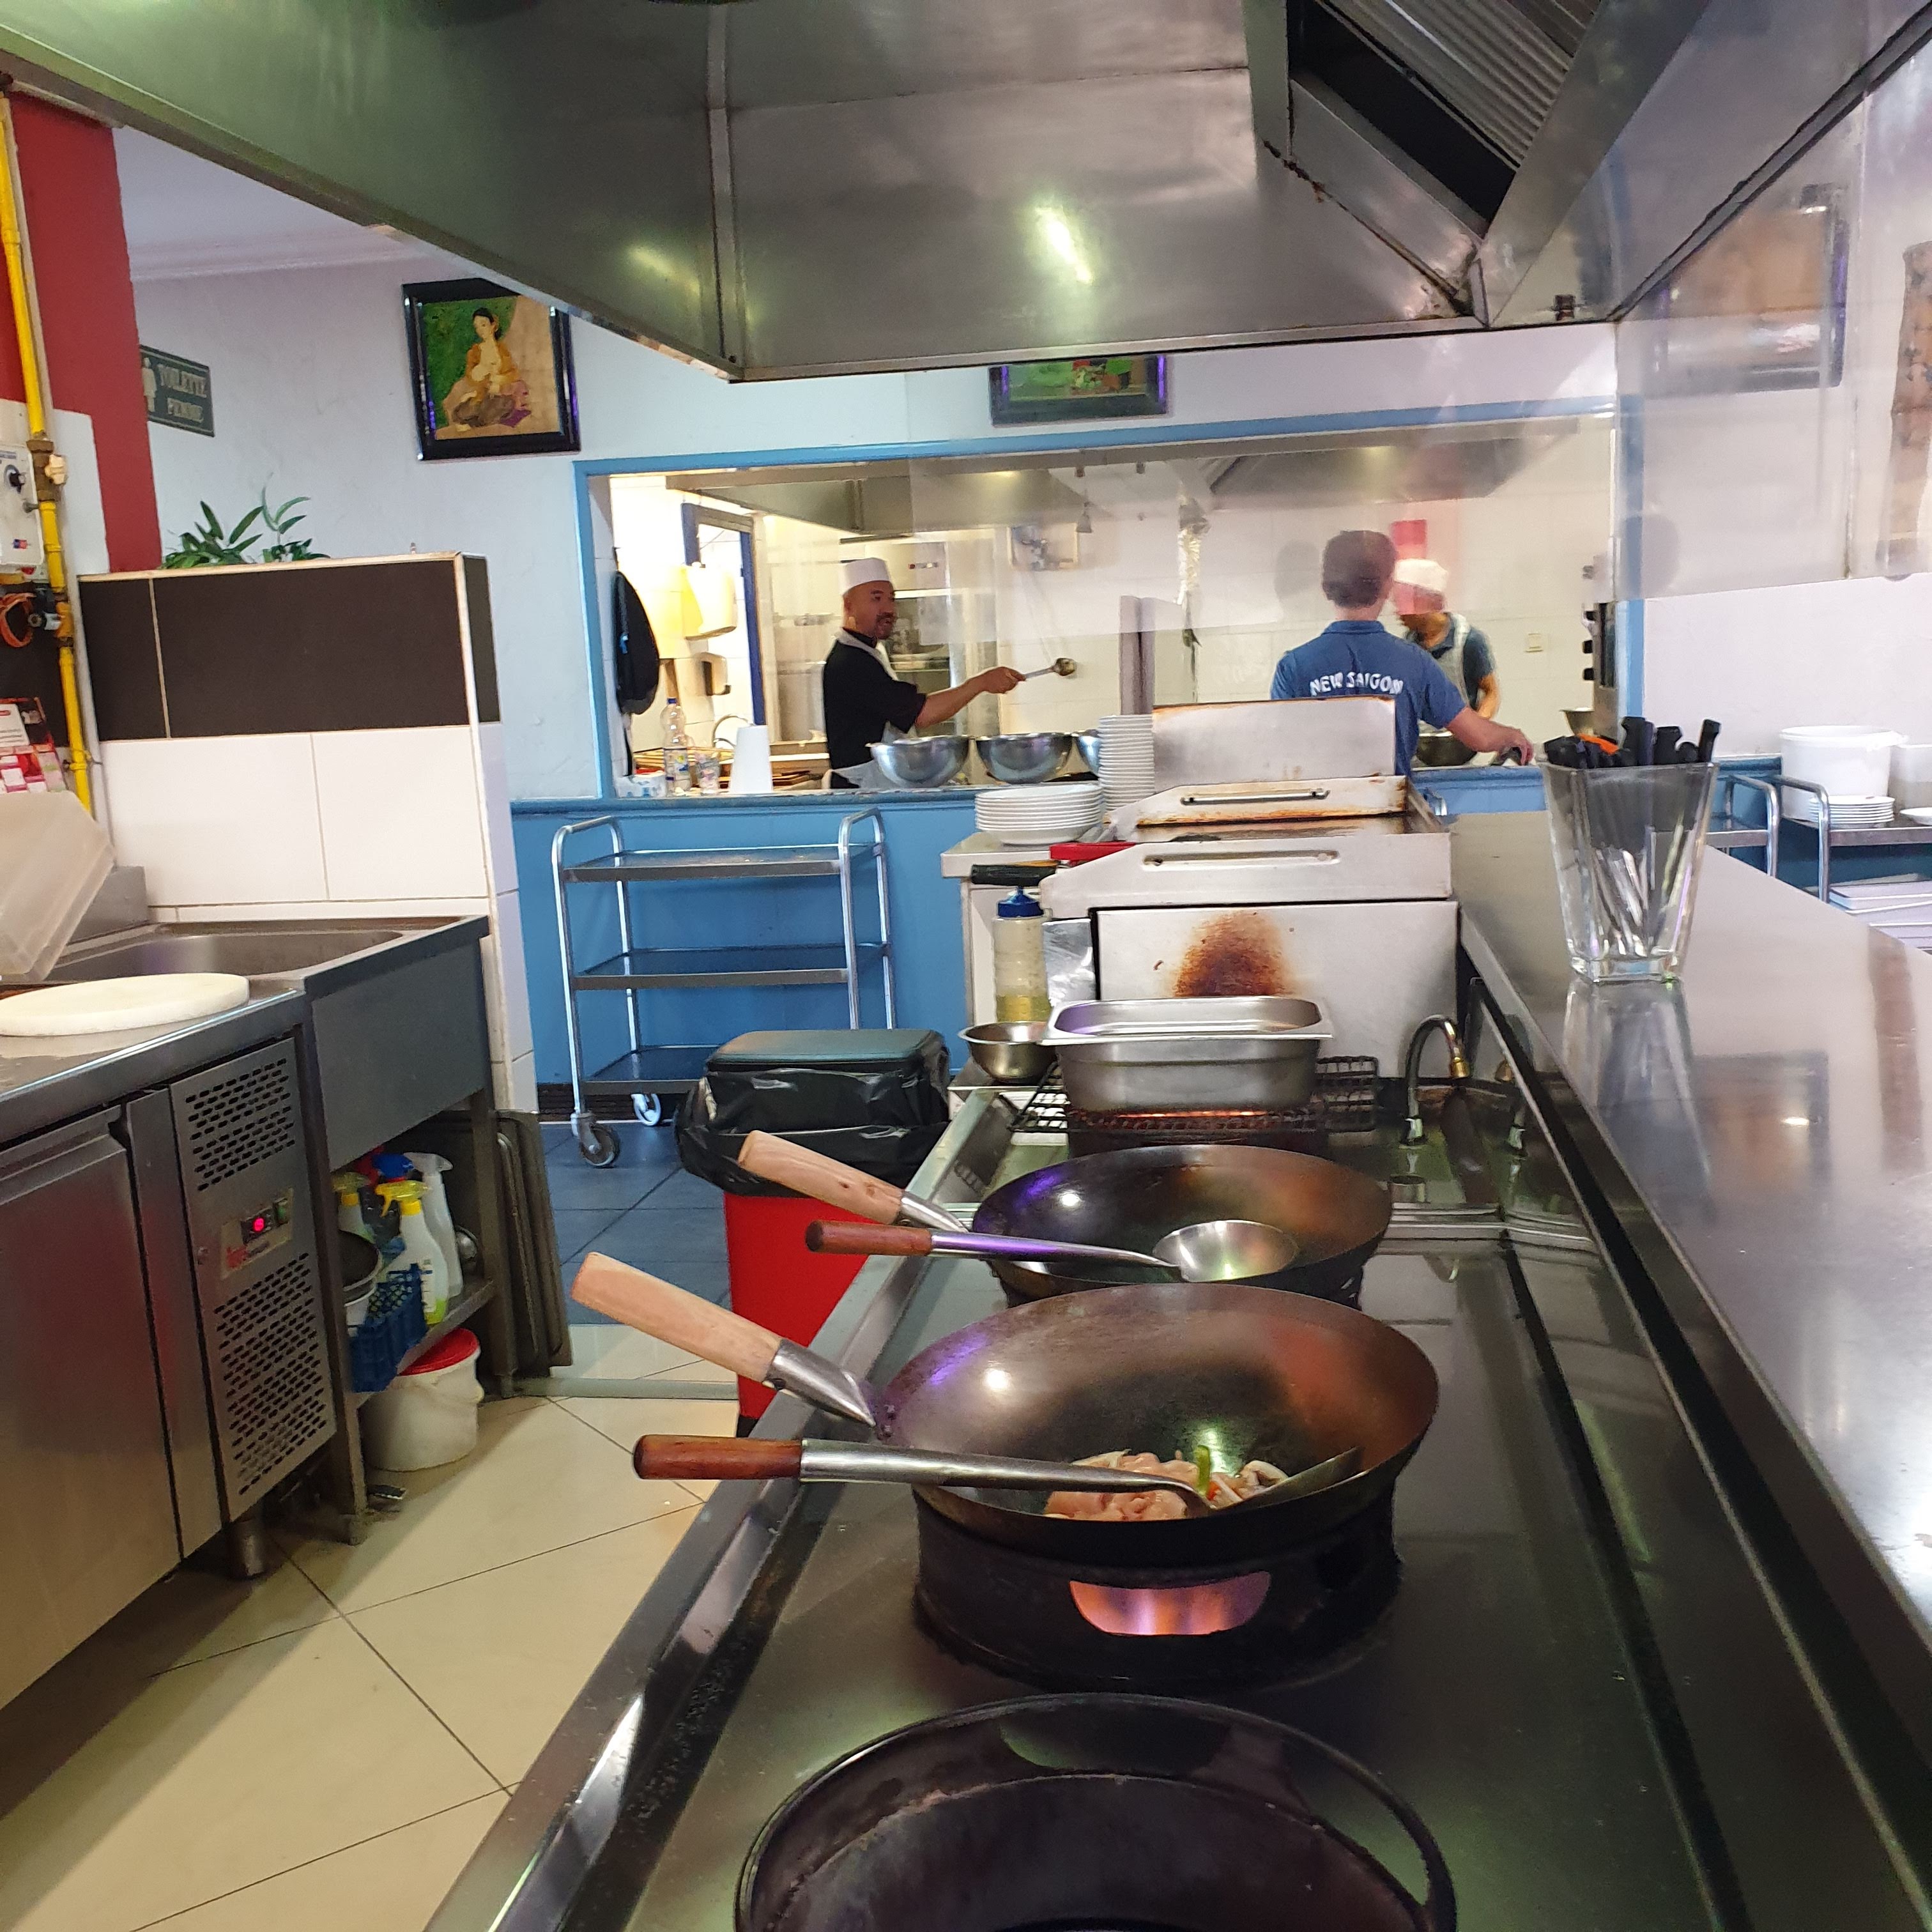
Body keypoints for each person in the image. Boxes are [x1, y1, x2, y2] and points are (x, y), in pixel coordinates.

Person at [1269, 531, 1532, 774]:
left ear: (1325, 588)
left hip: (1320, 806)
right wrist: (1511, 736)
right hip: (1393, 806)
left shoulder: (1294, 667)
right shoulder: (1414, 662)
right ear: (1387, 587)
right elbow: (1479, 736)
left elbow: (1281, 754)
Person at [822, 558, 1022, 787]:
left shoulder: (866, 651)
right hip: (861, 789)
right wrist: (981, 683)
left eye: (891, 599)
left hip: (877, 784)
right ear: (849, 605)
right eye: (876, 598)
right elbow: (923, 714)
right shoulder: (851, 662)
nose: (888, 609)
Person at [1391, 558, 1499, 717]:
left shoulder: (1468, 641)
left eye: (1403, 604)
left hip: (1458, 732)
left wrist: (1477, 725)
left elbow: (1491, 693)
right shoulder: (1409, 643)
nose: (1398, 613)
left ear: (1424, 602)